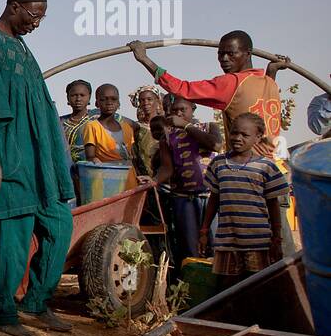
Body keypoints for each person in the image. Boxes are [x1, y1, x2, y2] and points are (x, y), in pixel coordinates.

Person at [0, 0, 75, 336]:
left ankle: (36, 302)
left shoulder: (22, 47)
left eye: (41, 19)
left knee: (59, 225)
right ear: (14, 7)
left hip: (39, 159)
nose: (36, 24)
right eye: (34, 16)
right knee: (15, 235)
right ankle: (2, 311)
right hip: (7, 154)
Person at [129, 33, 284, 156]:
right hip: (275, 166)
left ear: (247, 54)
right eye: (221, 54)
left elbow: (182, 88)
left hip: (248, 168)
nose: (224, 59)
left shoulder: (232, 82)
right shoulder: (269, 82)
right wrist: (272, 70)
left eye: (231, 54)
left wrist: (144, 59)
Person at [200, 112, 289, 289]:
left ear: (258, 137)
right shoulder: (218, 164)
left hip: (258, 241)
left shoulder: (266, 166)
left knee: (257, 286)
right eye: (234, 133)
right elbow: (214, 199)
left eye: (245, 135)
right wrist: (204, 230)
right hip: (227, 241)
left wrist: (277, 238)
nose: (237, 138)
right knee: (226, 287)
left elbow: (273, 203)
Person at [154, 96, 220, 268]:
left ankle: (220, 289)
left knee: (215, 244)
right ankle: (193, 285)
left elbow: (216, 145)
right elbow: (167, 169)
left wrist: (185, 125)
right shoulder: (167, 138)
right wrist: (152, 181)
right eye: (175, 110)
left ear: (193, 108)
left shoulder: (208, 127)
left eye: (183, 109)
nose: (179, 113)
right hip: (183, 198)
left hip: (210, 197)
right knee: (189, 247)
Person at [81, 84, 141, 190]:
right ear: (97, 103)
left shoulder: (127, 127)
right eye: (104, 99)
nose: (109, 103)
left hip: (130, 177)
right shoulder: (92, 127)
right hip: (107, 179)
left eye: (114, 99)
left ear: (118, 103)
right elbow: (90, 156)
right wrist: (95, 161)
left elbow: (131, 156)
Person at [60, 79, 96, 164]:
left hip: (91, 170)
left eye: (82, 95)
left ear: (89, 97)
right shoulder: (59, 122)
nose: (78, 99)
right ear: (68, 98)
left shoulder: (97, 118)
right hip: (65, 170)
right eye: (74, 95)